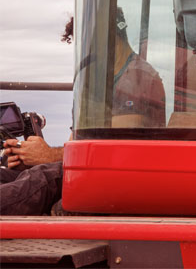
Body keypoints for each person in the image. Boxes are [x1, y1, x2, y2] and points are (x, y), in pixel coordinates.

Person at [1, 11, 165, 215]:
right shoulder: (98, 80)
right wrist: (29, 158)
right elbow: (74, 143)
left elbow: (116, 152)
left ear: (106, 34)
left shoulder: (137, 77)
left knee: (42, 178)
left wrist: (48, 156)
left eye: (85, 41)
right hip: (88, 168)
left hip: (114, 174)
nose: (83, 51)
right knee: (10, 175)